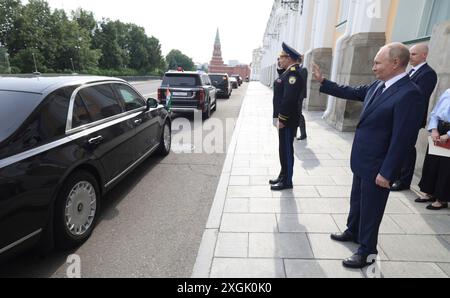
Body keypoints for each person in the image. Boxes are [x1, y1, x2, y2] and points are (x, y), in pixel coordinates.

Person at [312, 42, 423, 269]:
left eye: (377, 63)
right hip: (362, 160)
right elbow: (352, 92)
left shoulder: (410, 94)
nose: (373, 67)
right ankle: (352, 231)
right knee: (357, 201)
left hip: (379, 167)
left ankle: (366, 252)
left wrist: (388, 172)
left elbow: (403, 139)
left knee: (372, 211)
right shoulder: (378, 85)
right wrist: (324, 82)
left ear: (395, 63)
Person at [391, 44, 438, 191]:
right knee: (399, 146)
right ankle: (395, 175)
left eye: (414, 54)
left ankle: (404, 181)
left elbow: (419, 98)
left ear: (424, 55)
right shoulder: (411, 72)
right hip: (401, 116)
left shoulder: (428, 73)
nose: (410, 56)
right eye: (410, 53)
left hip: (412, 118)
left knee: (407, 148)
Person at [269, 42, 307, 191]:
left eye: (282, 58)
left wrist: (282, 119)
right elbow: (281, 84)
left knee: (286, 151)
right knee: (282, 149)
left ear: (289, 58)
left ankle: (287, 181)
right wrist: (280, 70)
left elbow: (289, 99)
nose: (280, 60)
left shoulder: (293, 75)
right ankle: (282, 175)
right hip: (285, 119)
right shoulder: (288, 73)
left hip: (288, 120)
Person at [416, 89, 450, 210]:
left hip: (448, 134)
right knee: (432, 163)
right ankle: (429, 192)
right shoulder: (447, 92)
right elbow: (435, 112)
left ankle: (441, 199)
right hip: (439, 130)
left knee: (446, 168)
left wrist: (448, 135)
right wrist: (434, 129)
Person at [297, 55, 308, 141]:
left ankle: (303, 134)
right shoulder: (297, 69)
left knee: (299, 114)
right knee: (296, 114)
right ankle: (294, 132)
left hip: (299, 96)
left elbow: (302, 84)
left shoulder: (303, 69)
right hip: (296, 96)